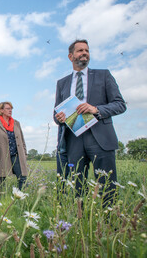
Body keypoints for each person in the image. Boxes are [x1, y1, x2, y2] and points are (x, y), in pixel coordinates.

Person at [54, 39, 126, 206]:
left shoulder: (104, 75)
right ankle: (81, 221)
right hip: (74, 140)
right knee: (77, 185)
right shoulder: (62, 83)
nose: (84, 53)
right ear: (70, 56)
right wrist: (59, 118)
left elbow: (120, 104)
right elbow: (56, 112)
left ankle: (109, 223)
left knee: (107, 184)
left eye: (86, 50)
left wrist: (95, 109)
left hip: (100, 137)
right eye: (80, 51)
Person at [0, 102, 28, 191]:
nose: (10, 110)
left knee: (22, 178)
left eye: (11, 109)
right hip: (1, 155)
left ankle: (22, 198)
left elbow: (22, 140)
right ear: (1, 110)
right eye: (8, 109)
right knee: (1, 179)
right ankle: (0, 200)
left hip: (16, 155)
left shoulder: (16, 123)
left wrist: (24, 154)